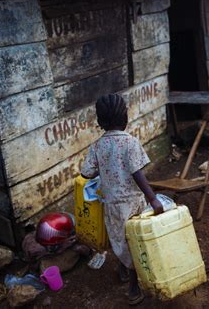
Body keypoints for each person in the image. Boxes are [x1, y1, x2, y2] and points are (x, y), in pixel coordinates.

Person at [81, 94, 163, 306]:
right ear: (125, 118)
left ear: (100, 123)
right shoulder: (130, 142)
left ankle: (123, 269)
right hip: (134, 202)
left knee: (120, 239)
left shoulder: (97, 147)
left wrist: (103, 167)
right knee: (133, 241)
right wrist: (152, 198)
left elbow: (86, 173)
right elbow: (137, 172)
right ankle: (134, 287)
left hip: (113, 206)